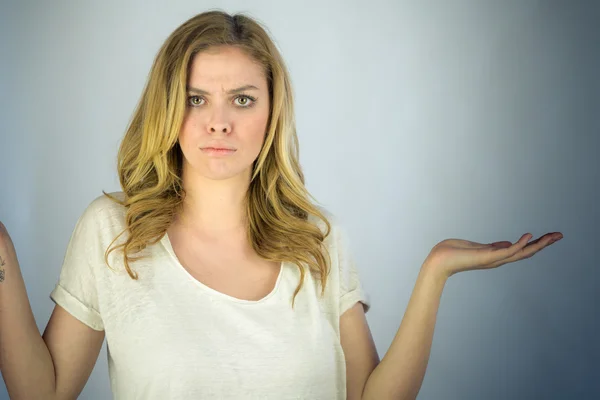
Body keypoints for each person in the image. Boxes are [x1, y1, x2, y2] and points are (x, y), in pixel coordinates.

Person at [0, 9, 563, 400]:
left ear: (272, 112)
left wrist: (435, 271)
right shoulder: (114, 234)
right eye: (196, 99)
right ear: (167, 109)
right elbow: (41, 392)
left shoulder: (316, 239)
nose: (219, 120)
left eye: (242, 99)